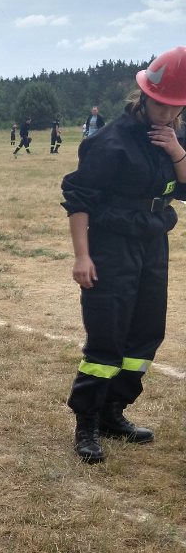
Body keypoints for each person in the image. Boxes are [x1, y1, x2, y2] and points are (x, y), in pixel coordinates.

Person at [62, 47, 186, 463]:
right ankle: (88, 422)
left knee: (146, 332)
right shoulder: (109, 141)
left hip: (153, 243)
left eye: (176, 108)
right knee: (107, 337)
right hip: (111, 246)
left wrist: (176, 152)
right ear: (145, 95)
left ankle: (115, 411)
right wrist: (82, 257)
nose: (167, 115)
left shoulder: (176, 138)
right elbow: (79, 199)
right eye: (162, 105)